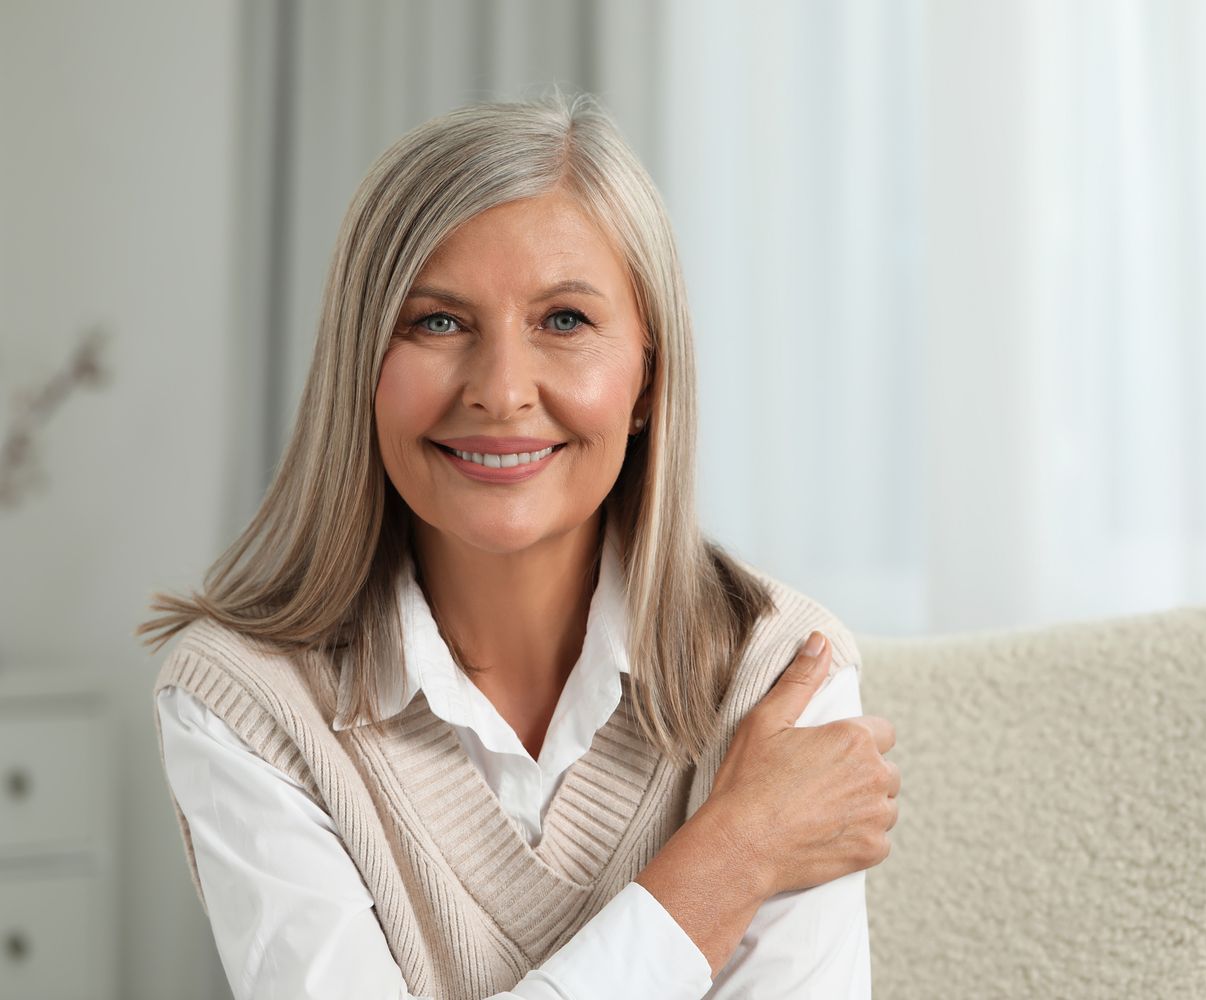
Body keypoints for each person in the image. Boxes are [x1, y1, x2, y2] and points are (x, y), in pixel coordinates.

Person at [138, 92, 900, 1000]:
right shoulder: (244, 704)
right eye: (438, 321)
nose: (501, 392)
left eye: (565, 321)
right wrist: (730, 856)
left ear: (648, 379)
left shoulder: (781, 677)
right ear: (361, 369)